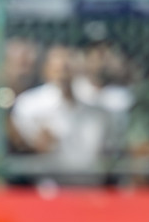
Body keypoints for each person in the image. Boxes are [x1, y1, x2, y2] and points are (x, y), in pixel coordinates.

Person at [10, 45, 113, 180]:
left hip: (90, 187)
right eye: (59, 68)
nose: (64, 73)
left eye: (68, 67)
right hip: (49, 188)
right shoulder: (28, 105)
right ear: (46, 69)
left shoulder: (97, 108)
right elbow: (25, 147)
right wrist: (36, 145)